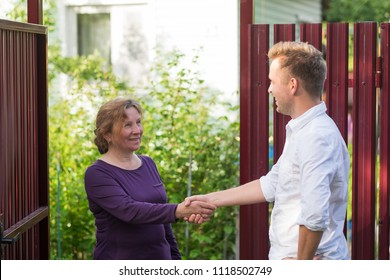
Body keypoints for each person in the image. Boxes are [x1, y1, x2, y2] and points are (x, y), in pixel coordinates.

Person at [186, 41, 350, 260]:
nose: (269, 88)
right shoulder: (303, 130)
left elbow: (314, 215)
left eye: (272, 81)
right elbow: (272, 184)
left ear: (292, 85)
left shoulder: (315, 137)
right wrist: (208, 200)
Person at [84, 97, 215, 260]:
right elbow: (129, 211)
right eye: (127, 125)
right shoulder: (97, 174)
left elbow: (163, 222)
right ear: (107, 134)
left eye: (138, 122)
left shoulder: (148, 163)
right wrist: (179, 210)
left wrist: (175, 259)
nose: (137, 130)